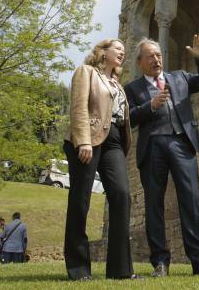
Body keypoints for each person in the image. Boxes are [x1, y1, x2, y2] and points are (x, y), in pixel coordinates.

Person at [125, 32, 199, 277]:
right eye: (150, 57)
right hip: (152, 146)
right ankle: (160, 263)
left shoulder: (179, 78)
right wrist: (151, 105)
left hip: (181, 142)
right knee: (154, 205)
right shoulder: (132, 88)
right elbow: (129, 118)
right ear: (140, 63)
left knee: (191, 200)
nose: (156, 60)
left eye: (158, 55)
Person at [63, 38, 138, 281]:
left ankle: (120, 270)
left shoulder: (117, 83)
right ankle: (78, 268)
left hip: (114, 141)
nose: (122, 53)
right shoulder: (86, 72)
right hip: (90, 137)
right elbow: (78, 107)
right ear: (103, 52)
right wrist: (83, 139)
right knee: (80, 200)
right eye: (118, 48)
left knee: (121, 196)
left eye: (124, 51)